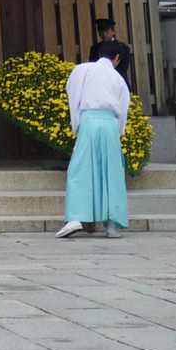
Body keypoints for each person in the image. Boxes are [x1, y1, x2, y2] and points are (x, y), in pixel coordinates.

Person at [57, 41, 132, 239]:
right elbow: (124, 106)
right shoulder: (118, 78)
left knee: (80, 168)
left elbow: (72, 94)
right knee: (112, 172)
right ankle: (112, 225)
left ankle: (75, 218)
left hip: (89, 120)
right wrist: (119, 131)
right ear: (117, 58)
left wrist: (77, 124)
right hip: (110, 124)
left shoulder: (82, 70)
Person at [90, 19, 134, 91]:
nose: (104, 34)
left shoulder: (123, 48)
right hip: (100, 86)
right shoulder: (95, 48)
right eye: (101, 31)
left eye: (107, 31)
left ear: (113, 32)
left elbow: (122, 70)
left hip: (119, 84)